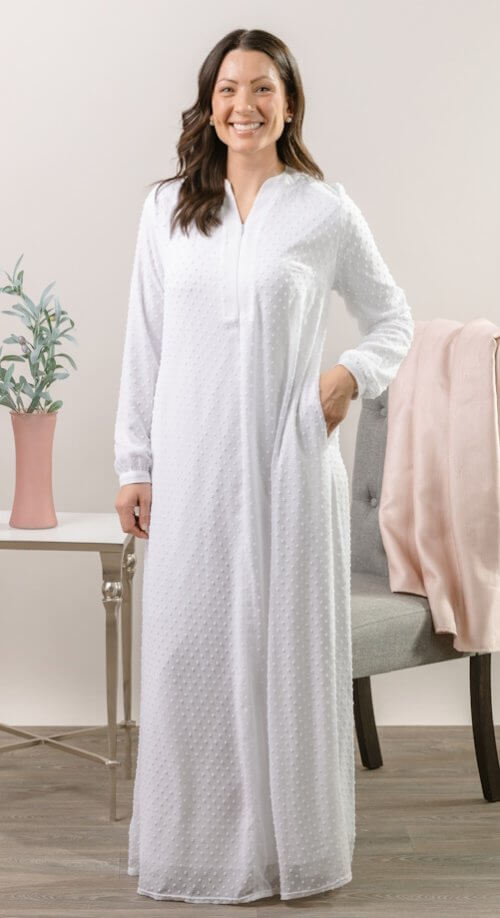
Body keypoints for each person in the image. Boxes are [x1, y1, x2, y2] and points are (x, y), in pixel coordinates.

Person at [113, 27, 414, 906]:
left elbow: (392, 318)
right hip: (194, 463)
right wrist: (135, 462)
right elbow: (145, 341)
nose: (242, 105)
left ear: (288, 103)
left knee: (285, 655)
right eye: (227, 89)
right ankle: (195, 848)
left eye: (261, 89)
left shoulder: (323, 210)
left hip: (290, 467)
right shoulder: (168, 208)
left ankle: (292, 849)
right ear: (209, 104)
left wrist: (346, 376)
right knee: (190, 651)